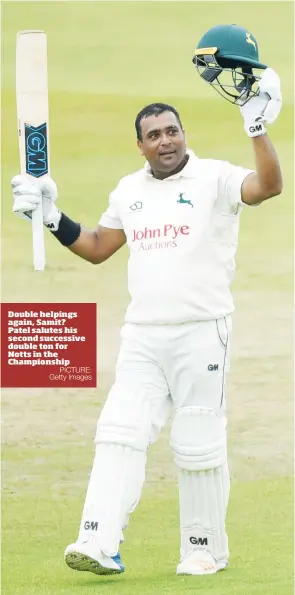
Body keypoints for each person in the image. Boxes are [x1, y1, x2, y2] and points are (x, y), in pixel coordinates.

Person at [11, 66, 282, 577]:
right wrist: (50, 216)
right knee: (118, 432)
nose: (165, 141)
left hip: (203, 331)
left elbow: (268, 186)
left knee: (198, 441)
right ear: (140, 145)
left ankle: (203, 549)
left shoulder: (215, 178)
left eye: (172, 131)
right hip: (142, 337)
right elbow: (96, 248)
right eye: (154, 135)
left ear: (184, 135)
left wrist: (255, 127)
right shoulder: (128, 191)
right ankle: (98, 541)